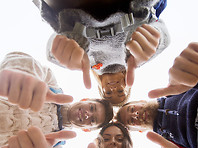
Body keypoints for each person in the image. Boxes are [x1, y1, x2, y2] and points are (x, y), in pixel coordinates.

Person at [0, 51, 113, 148]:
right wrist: (24, 75)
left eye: (93, 120)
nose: (88, 114)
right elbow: (13, 59)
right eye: (92, 107)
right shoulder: (50, 84)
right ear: (85, 100)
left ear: (87, 129)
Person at [33, 0, 170, 105]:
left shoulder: (85, 65)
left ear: (101, 88)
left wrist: (63, 49)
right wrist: (155, 40)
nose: (113, 88)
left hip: (72, 10)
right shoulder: (134, 59)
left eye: (108, 93)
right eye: (120, 91)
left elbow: (52, 52)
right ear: (128, 86)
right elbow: (162, 33)